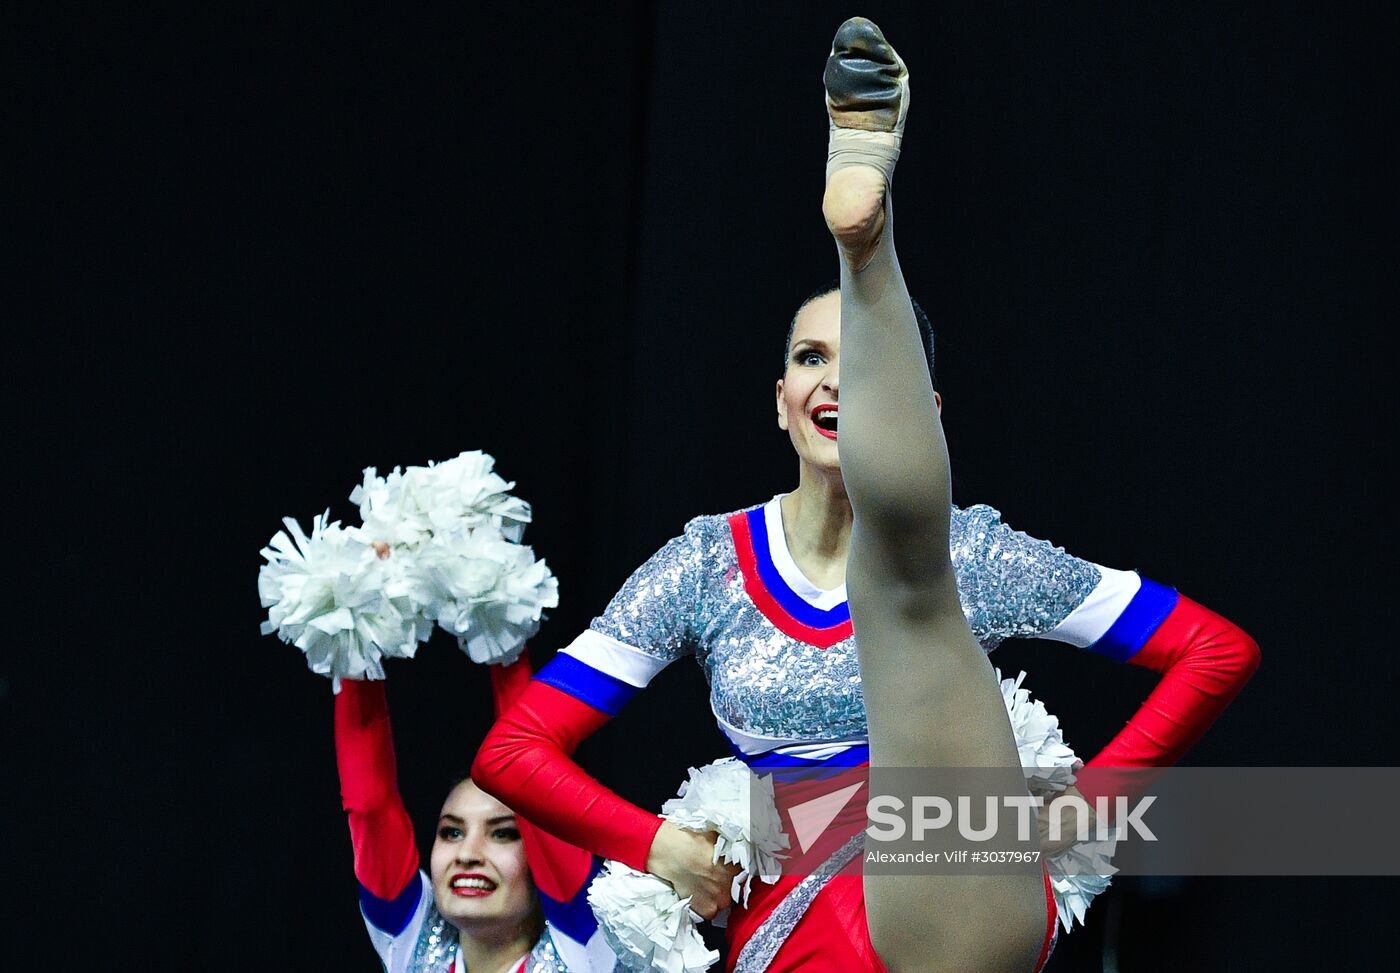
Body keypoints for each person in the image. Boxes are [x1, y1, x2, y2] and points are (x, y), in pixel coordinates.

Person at [473, 17, 1258, 973]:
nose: (832, 385)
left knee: (914, 571)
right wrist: (657, 844)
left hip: (957, 876)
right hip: (789, 926)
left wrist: (1088, 812)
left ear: (923, 413)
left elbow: (1214, 650)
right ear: (779, 403)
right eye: (811, 358)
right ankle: (863, 250)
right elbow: (514, 753)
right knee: (911, 565)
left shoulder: (983, 555)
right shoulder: (705, 565)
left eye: (864, 369)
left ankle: (865, 245)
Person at [336, 655, 615, 973]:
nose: (467, 854)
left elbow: (535, 788)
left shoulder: (587, 949)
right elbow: (370, 807)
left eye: (503, 833)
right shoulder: (406, 942)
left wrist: (503, 638)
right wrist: (354, 644)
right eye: (451, 832)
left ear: (541, 857)